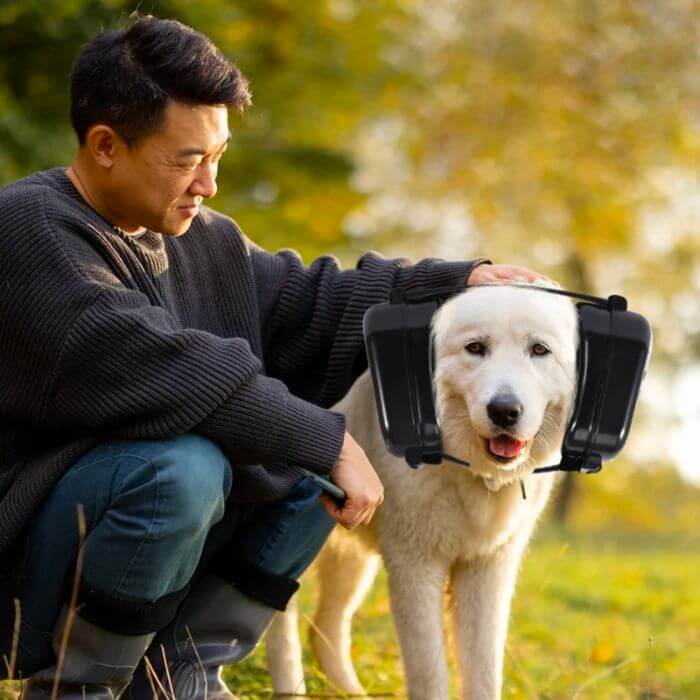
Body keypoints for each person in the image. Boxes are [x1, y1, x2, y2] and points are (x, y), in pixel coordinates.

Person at [0, 14, 548, 700]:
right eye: (188, 160)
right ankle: (77, 687)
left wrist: (452, 281)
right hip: (21, 570)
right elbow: (157, 362)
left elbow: (308, 300)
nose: (210, 185)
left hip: (119, 561)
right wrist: (331, 441)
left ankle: (177, 678)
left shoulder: (204, 238)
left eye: (218, 157)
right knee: (186, 468)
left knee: (296, 466)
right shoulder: (26, 231)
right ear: (106, 145)